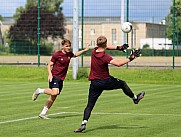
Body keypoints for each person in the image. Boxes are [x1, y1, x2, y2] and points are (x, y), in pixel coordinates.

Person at [74, 36, 145, 132]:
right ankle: (135, 98)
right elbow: (118, 64)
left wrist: (119, 47)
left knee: (90, 105)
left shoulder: (94, 51)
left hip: (94, 83)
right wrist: (131, 58)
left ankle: (83, 124)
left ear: (97, 44)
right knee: (122, 84)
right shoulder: (105, 57)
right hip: (106, 81)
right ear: (105, 44)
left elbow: (105, 47)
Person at [32, 39, 90, 119]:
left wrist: (85, 50)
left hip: (61, 78)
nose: (68, 47)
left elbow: (76, 54)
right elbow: (49, 65)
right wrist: (50, 75)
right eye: (66, 46)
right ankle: (39, 90)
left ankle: (42, 113)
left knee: (53, 96)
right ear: (62, 46)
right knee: (55, 92)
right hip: (55, 76)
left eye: (69, 46)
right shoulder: (57, 54)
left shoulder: (69, 54)